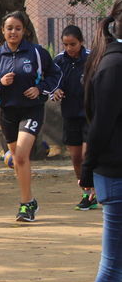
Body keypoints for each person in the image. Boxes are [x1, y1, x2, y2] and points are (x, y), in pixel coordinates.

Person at [0, 10, 61, 222]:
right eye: (9, 28)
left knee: (21, 156)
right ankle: (31, 199)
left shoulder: (37, 52)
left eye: (18, 28)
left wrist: (40, 89)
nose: (13, 32)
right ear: (2, 30)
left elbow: (55, 74)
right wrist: (0, 83)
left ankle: (25, 205)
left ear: (24, 31)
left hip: (31, 110)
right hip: (7, 112)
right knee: (17, 159)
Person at [81, 0, 122, 282]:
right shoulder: (113, 64)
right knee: (112, 267)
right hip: (114, 175)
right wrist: (88, 171)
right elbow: (100, 124)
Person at [52, 25, 95, 210]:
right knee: (76, 158)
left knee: (87, 155)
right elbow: (51, 82)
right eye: (66, 44)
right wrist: (55, 91)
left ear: (81, 42)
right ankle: (86, 193)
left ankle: (94, 190)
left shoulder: (92, 59)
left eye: (73, 44)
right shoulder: (59, 61)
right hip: (70, 115)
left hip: (90, 115)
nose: (69, 48)